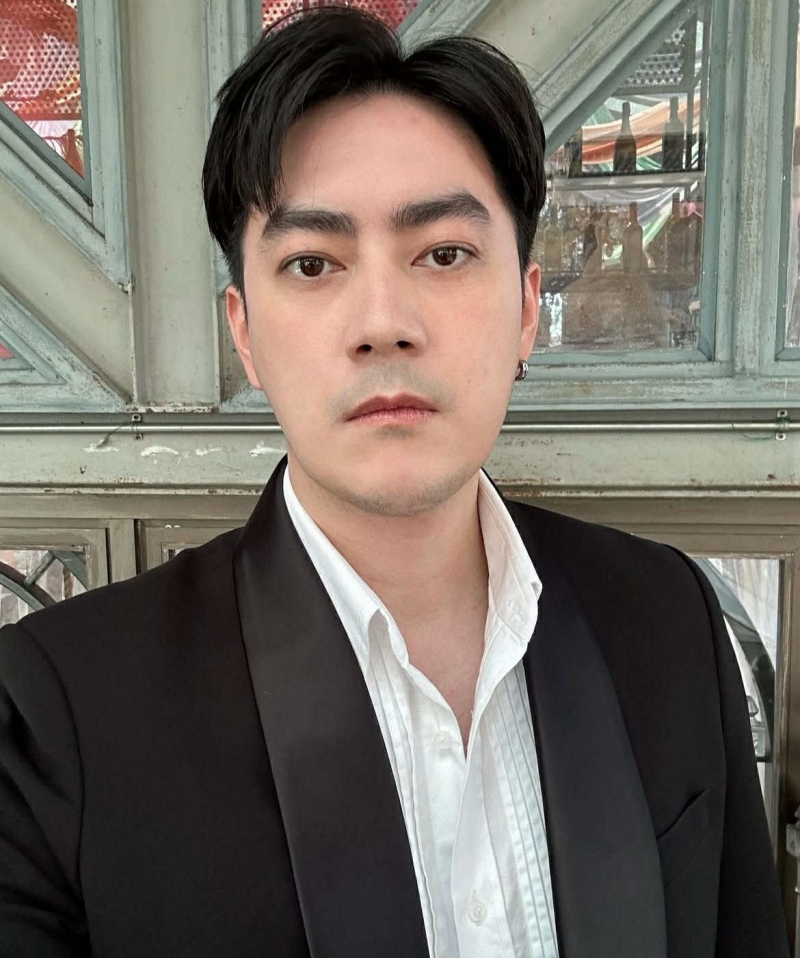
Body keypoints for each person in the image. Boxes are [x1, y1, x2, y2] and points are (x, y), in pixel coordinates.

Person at [0, 7, 789, 957]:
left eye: (444, 254)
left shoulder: (668, 619)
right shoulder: (59, 718)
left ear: (528, 307)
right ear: (245, 333)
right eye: (312, 263)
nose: (383, 322)